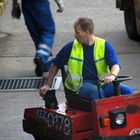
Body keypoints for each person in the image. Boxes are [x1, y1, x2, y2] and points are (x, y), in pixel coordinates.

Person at [39, 17, 134, 101]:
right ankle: (102, 120)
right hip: (81, 86)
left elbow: (115, 65)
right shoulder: (71, 47)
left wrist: (112, 75)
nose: (75, 35)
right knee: (97, 93)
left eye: (77, 32)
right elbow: (56, 64)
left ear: (87, 32)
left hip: (102, 84)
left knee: (128, 91)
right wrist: (48, 84)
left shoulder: (104, 45)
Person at [12, 0, 64, 76]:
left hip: (26, 5)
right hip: (40, 3)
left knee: (36, 34)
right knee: (48, 31)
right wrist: (59, 1)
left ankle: (45, 64)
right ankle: (41, 57)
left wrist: (15, 4)